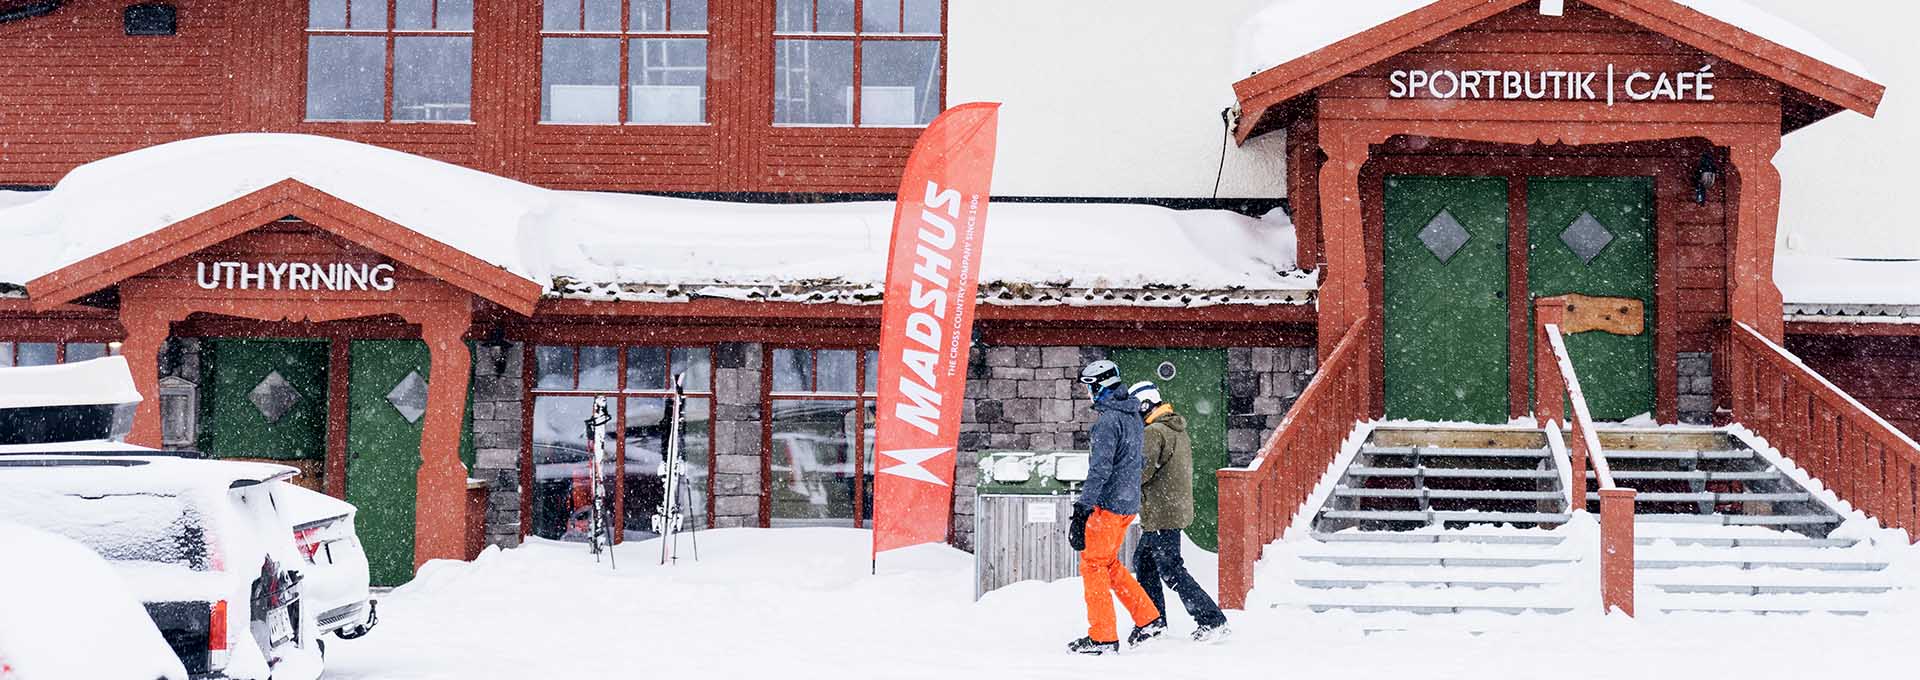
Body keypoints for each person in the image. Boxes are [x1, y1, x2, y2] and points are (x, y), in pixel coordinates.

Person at [1065, 360, 1161, 656]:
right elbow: (1136, 461)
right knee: (1108, 563)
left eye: (1089, 388)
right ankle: (1148, 618)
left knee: (1093, 566)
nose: (1088, 394)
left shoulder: (1107, 421)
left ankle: (1103, 638)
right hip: (1127, 504)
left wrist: (1082, 510)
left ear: (1100, 386)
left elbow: (1100, 471)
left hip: (1107, 506)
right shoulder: (1132, 415)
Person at [1126, 381, 1231, 644]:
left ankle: (1211, 619)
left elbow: (1142, 472)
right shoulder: (1175, 428)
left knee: (1171, 570)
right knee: (1145, 562)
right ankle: (1153, 621)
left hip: (1162, 512)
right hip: (1170, 509)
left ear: (1145, 405)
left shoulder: (1154, 433)